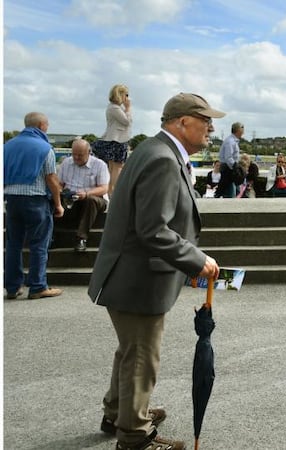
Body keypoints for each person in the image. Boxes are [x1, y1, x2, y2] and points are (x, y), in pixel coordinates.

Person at [88, 93, 222, 450]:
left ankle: (118, 412)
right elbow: (153, 230)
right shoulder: (163, 158)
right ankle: (135, 434)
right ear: (182, 122)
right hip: (138, 279)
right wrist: (196, 260)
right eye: (205, 120)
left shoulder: (155, 150)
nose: (211, 127)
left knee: (130, 351)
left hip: (130, 275)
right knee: (142, 356)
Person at [3, 112, 64, 300]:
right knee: (39, 244)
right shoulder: (45, 148)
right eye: (47, 124)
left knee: (13, 244)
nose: (47, 127)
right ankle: (38, 286)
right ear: (40, 125)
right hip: (35, 200)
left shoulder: (7, 146)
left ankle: (12, 287)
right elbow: (51, 179)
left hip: (12, 199)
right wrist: (58, 203)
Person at [56, 138, 110, 252]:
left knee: (90, 200)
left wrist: (86, 193)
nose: (76, 158)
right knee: (53, 197)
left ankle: (81, 238)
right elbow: (59, 184)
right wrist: (61, 192)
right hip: (71, 197)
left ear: (88, 153)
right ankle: (52, 235)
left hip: (94, 198)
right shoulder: (66, 163)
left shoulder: (100, 165)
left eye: (80, 155)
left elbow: (104, 188)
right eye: (74, 154)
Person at [91, 84, 132, 198]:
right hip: (117, 140)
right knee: (117, 166)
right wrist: (128, 108)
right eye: (126, 95)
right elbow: (126, 121)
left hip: (116, 138)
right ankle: (112, 191)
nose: (127, 98)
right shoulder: (114, 108)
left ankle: (110, 191)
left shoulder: (115, 108)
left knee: (113, 166)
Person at [218, 122, 244, 198]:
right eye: (242, 127)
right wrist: (236, 168)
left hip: (230, 168)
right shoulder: (230, 141)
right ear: (238, 130)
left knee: (236, 191)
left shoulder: (233, 140)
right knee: (231, 194)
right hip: (228, 169)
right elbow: (228, 158)